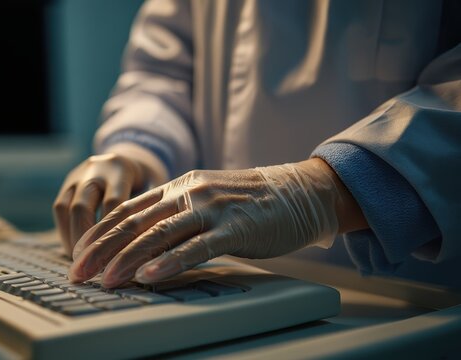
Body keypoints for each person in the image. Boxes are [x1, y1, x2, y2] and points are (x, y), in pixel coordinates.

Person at [54, 0, 461, 289]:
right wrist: (137, 147)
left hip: (410, 294)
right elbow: (166, 68)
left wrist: (322, 193)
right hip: (224, 281)